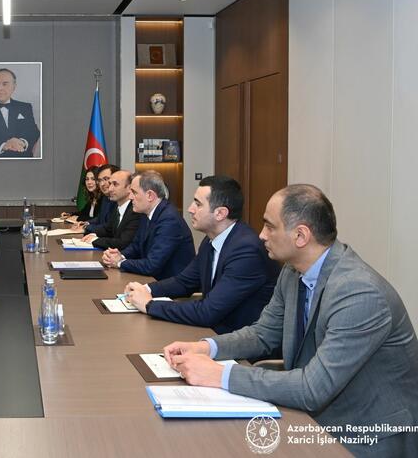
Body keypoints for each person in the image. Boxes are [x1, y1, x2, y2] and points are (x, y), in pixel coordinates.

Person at [163, 185, 418, 457]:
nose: (261, 235)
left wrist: (220, 375)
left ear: (301, 235)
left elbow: (313, 389)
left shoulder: (359, 293)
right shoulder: (293, 272)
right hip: (316, 416)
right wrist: (206, 347)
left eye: (270, 226)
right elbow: (263, 334)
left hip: (367, 433)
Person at [123, 176, 278, 334]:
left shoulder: (247, 251)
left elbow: (207, 312)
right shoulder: (211, 239)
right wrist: (145, 289)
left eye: (198, 204)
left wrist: (149, 305)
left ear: (220, 213)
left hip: (235, 339)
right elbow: (184, 282)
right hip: (211, 331)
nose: (190, 209)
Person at [102, 170, 194, 280]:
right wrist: (119, 255)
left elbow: (152, 265)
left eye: (134, 192)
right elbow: (136, 246)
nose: (130, 197)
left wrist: (119, 262)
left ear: (150, 195)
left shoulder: (169, 220)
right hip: (152, 279)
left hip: (170, 284)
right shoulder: (146, 213)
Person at [81, 170, 142, 250]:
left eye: (115, 184)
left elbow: (123, 243)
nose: (110, 189)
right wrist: (92, 234)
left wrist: (94, 240)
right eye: (110, 184)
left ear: (129, 188)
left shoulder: (135, 210)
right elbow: (108, 229)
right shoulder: (117, 207)